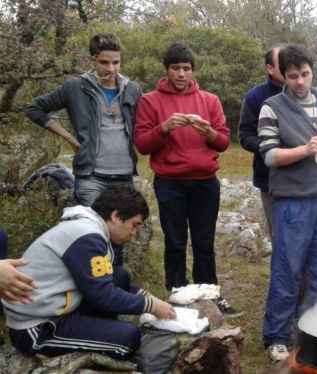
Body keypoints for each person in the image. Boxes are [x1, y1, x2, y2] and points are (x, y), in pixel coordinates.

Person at [1, 185, 177, 359]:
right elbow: (103, 295)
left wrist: (151, 299)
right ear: (116, 216)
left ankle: (99, 330)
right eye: (134, 225)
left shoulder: (89, 228)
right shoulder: (87, 237)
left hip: (59, 308)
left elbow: (104, 284)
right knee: (128, 338)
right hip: (37, 327)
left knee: (119, 276)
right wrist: (151, 306)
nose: (133, 232)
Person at [133, 42, 242, 318]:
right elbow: (143, 145)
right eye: (175, 68)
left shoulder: (210, 100)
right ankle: (178, 296)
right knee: (175, 241)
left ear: (193, 70)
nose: (181, 74)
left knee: (204, 243)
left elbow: (224, 142)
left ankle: (210, 296)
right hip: (169, 181)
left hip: (206, 181)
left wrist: (209, 133)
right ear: (165, 69)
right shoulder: (150, 101)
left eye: (186, 68)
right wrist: (165, 128)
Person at [258, 44, 317, 362]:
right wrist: (304, 149)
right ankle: (276, 338)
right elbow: (270, 156)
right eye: (293, 76)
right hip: (292, 202)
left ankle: (308, 332)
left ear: (313, 72)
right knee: (288, 271)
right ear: (283, 75)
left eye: (306, 74)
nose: (300, 82)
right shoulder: (272, 107)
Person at [24, 32, 142, 267]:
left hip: (124, 175)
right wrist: (68, 136)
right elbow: (35, 109)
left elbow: (144, 124)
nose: (111, 68)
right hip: (90, 175)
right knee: (92, 235)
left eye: (116, 62)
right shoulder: (75, 87)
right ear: (93, 60)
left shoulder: (133, 89)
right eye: (104, 62)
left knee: (118, 238)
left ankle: (114, 292)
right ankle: (91, 289)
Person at [238, 46, 285, 241]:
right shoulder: (254, 97)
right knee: (280, 238)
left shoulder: (306, 94)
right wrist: (270, 149)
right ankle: (281, 273)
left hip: (305, 179)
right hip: (270, 180)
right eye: (282, 64)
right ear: (269, 68)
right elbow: (245, 135)